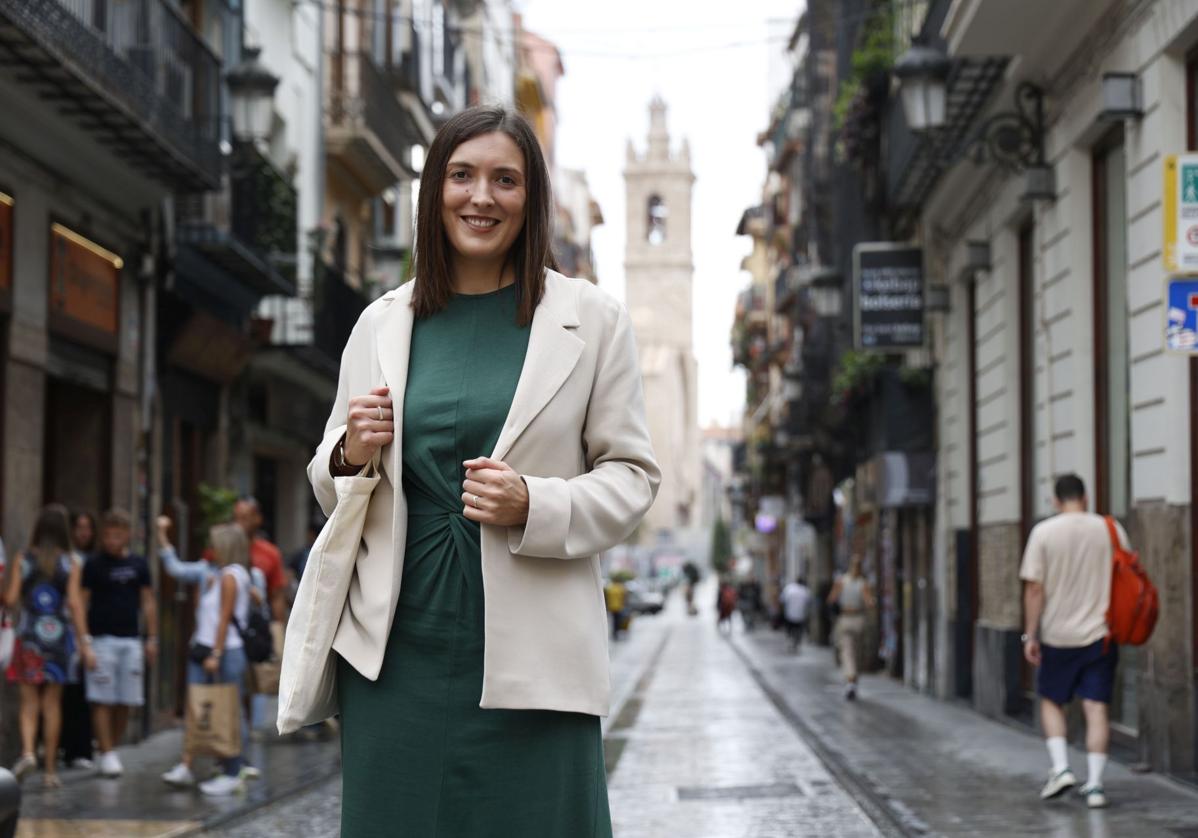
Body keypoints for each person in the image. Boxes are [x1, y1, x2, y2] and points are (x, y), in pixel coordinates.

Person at [305, 105, 659, 836]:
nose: (481, 197)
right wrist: (352, 452)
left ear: (531, 200)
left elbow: (632, 478)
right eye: (461, 176)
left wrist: (536, 502)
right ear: (434, 190)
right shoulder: (381, 322)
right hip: (395, 651)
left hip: (536, 661)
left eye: (506, 180)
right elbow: (328, 473)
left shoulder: (592, 320)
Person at [1020, 473, 1127, 810]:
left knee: (1052, 700)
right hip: (1100, 633)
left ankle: (1061, 767)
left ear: (1055, 499)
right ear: (1086, 496)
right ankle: (1095, 786)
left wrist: (1030, 634)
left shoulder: (1044, 532)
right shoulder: (1110, 530)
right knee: (1096, 707)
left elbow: (1034, 588)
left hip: (1058, 635)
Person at [158, 519, 253, 796]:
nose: (212, 548)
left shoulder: (229, 577)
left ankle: (233, 770)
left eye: (215, 544)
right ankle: (220, 766)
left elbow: (223, 619)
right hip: (215, 649)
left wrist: (216, 653)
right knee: (214, 708)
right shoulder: (233, 574)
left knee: (227, 711)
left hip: (223, 651)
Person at [5, 504, 92, 787]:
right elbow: (75, 604)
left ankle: (29, 751)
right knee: (52, 704)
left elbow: (11, 599)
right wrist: (85, 643)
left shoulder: (23, 558)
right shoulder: (72, 562)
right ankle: (51, 770)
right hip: (58, 638)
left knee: (28, 702)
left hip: (29, 636)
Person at [80, 509, 157, 779]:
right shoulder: (94, 564)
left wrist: (152, 637)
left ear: (127, 535)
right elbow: (81, 601)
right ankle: (107, 752)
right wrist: (84, 639)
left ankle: (108, 747)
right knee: (102, 699)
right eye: (108, 535)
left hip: (131, 639)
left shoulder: (139, 564)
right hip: (101, 639)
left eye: (118, 535)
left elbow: (147, 600)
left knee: (127, 699)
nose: (112, 541)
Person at [62, 510, 98, 770]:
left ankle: (81, 747)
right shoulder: (68, 560)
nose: (84, 533)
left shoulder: (93, 560)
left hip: (87, 629)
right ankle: (68, 747)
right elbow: (75, 602)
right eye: (79, 527)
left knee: (82, 690)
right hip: (67, 631)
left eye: (88, 527)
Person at [232, 497, 288, 623]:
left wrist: (278, 631)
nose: (238, 524)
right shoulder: (220, 550)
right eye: (236, 518)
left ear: (257, 519)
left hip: (257, 627)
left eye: (244, 518)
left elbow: (277, 596)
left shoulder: (270, 553)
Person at [828, 554, 874, 700]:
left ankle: (850, 682)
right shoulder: (863, 583)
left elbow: (831, 599)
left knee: (847, 652)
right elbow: (869, 603)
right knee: (857, 652)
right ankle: (853, 682)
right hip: (859, 619)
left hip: (845, 619)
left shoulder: (842, 581)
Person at [780, 576, 812, 653]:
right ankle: (796, 642)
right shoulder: (805, 590)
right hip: (800, 615)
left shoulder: (789, 588)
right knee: (799, 629)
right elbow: (809, 602)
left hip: (789, 614)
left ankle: (791, 641)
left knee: (790, 629)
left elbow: (782, 600)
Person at [603, 576, 628, 641]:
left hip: (611, 607)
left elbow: (606, 597)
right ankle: (616, 632)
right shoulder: (621, 588)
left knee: (614, 620)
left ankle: (614, 632)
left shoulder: (610, 588)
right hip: (619, 607)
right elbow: (624, 597)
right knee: (618, 620)